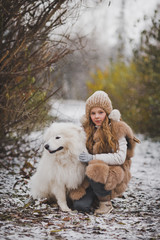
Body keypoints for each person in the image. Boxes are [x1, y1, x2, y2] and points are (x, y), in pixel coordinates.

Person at [69, 90, 139, 215]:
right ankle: (94, 197)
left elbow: (120, 158)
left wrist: (93, 157)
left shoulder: (117, 129)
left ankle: (105, 202)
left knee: (96, 167)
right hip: (90, 177)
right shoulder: (87, 129)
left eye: (100, 112)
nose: (96, 116)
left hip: (113, 175)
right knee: (80, 206)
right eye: (93, 113)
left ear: (108, 113)